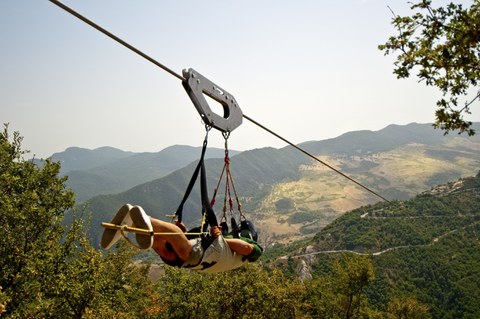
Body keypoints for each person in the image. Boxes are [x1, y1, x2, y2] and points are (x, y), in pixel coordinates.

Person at [101, 204, 263, 273]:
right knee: (158, 241)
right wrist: (185, 231)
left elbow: (247, 248)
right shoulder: (233, 258)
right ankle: (128, 228)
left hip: (202, 255)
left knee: (177, 240)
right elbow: (201, 239)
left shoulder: (252, 248)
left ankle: (142, 219)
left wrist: (220, 238)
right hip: (190, 261)